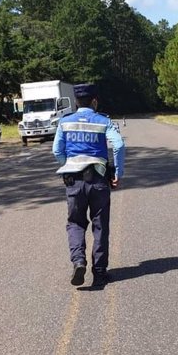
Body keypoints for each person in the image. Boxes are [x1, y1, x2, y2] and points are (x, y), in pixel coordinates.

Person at [52, 83, 125, 287]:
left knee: (75, 222)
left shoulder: (65, 122)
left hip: (74, 181)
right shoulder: (103, 121)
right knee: (100, 225)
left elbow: (57, 151)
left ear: (76, 102)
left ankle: (78, 261)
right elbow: (118, 145)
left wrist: (68, 164)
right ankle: (100, 272)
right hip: (99, 179)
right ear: (94, 101)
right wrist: (118, 172)